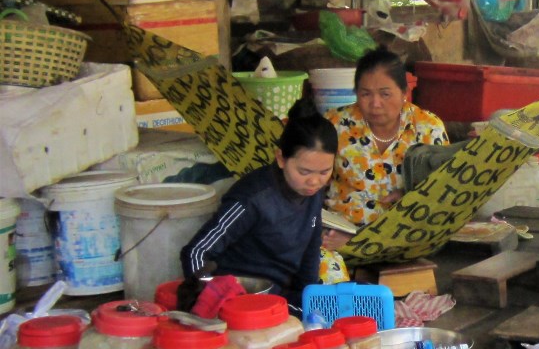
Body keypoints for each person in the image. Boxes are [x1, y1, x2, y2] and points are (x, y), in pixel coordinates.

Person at [180, 96, 337, 311]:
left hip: (281, 296)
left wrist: (309, 298)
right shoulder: (253, 198)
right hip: (241, 300)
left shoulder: (312, 192)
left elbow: (310, 251)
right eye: (304, 171)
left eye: (324, 172)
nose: (314, 181)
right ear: (281, 158)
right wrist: (207, 298)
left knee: (343, 305)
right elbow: (196, 252)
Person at [321, 48, 448, 255]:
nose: (375, 104)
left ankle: (362, 246)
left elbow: (445, 188)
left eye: (385, 94)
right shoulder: (335, 124)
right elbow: (314, 179)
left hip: (404, 238)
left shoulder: (428, 128)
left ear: (404, 92)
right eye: (365, 94)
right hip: (339, 235)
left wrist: (409, 194)